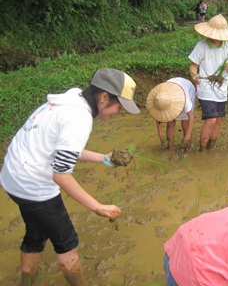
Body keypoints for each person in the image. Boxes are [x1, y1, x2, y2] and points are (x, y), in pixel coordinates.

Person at [0, 68, 140, 285]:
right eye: (119, 107)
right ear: (104, 98)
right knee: (68, 246)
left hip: (13, 176)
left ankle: (26, 282)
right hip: (33, 184)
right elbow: (61, 175)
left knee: (35, 234)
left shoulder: (70, 100)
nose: (118, 113)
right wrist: (98, 206)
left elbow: (65, 149)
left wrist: (103, 158)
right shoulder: (79, 118)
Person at [189, 14, 228, 152]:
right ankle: (202, 150)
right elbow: (193, 66)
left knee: (218, 120)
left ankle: (210, 148)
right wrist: (194, 75)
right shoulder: (202, 45)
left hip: (221, 87)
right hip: (205, 87)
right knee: (211, 120)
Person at [146, 77, 196, 150]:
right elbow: (158, 116)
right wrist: (161, 136)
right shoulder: (158, 98)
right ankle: (170, 147)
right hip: (168, 92)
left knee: (185, 124)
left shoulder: (186, 100)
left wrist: (187, 137)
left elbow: (191, 117)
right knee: (170, 123)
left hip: (187, 89)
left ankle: (187, 148)